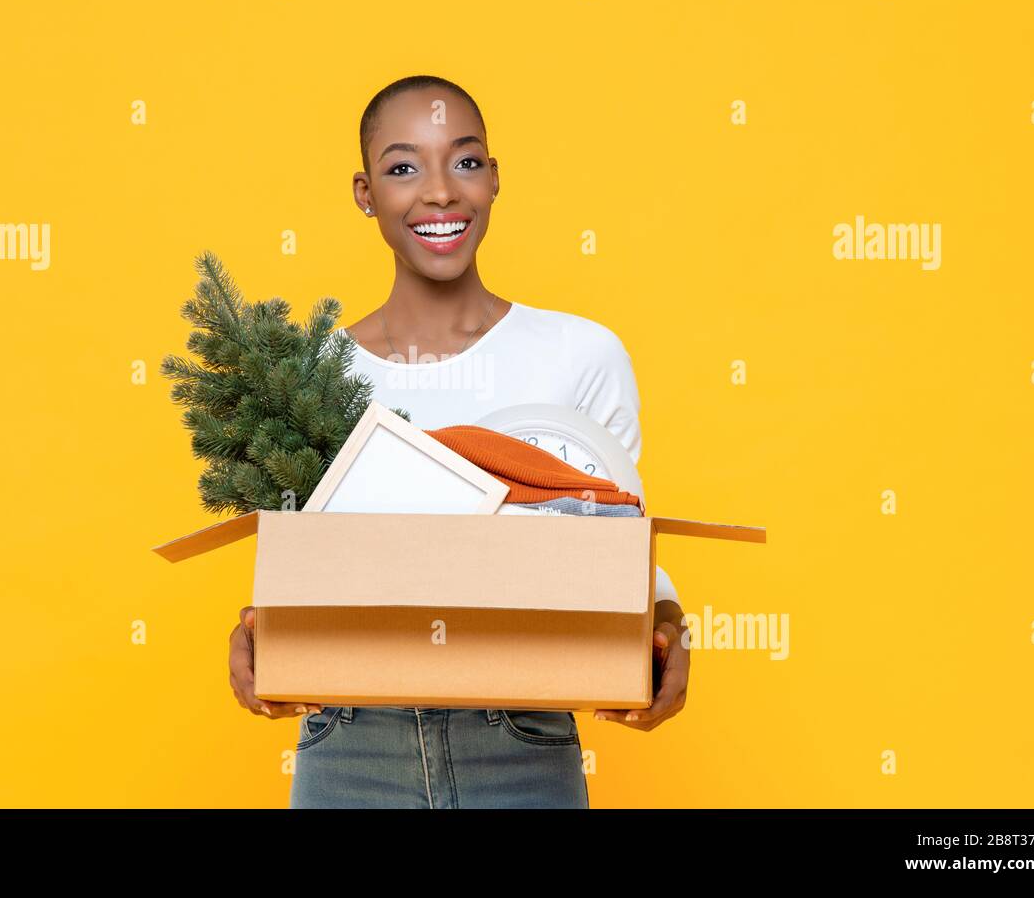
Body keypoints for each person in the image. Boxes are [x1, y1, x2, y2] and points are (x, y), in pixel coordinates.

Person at [227, 75, 689, 808]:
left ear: (495, 179)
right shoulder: (314, 374)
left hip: (522, 741)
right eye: (403, 167)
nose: (439, 192)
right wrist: (257, 632)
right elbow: (300, 565)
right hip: (351, 746)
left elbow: (620, 533)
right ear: (364, 191)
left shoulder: (580, 353)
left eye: (465, 161)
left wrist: (668, 631)